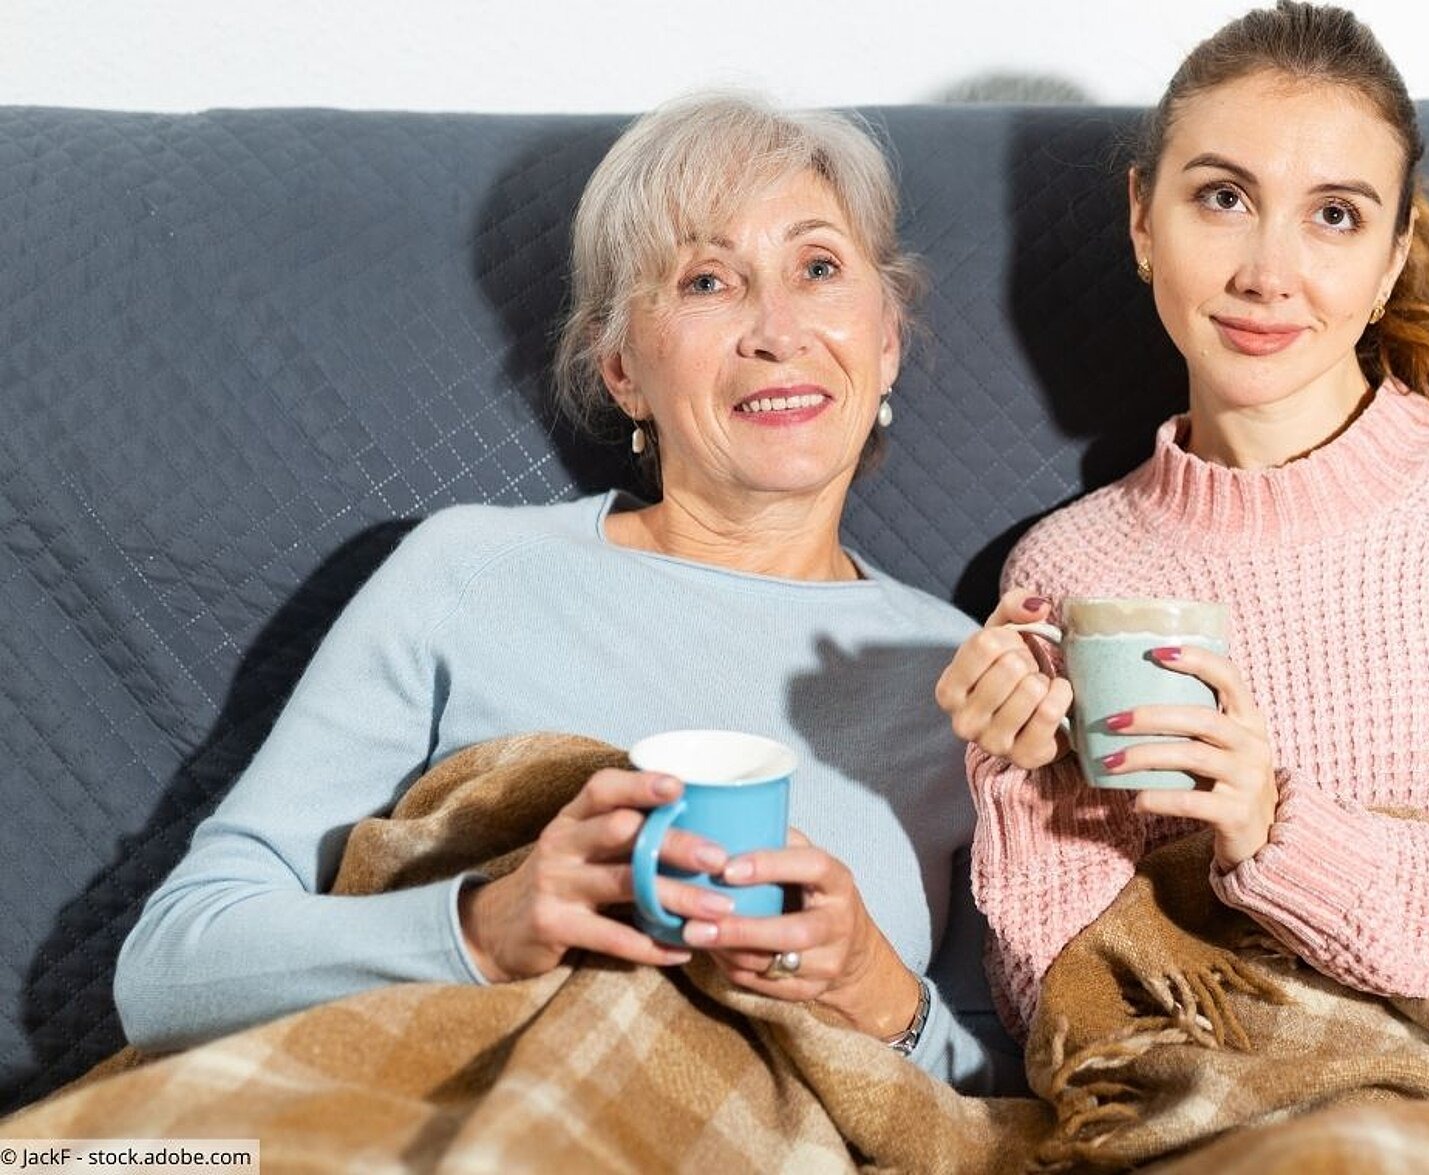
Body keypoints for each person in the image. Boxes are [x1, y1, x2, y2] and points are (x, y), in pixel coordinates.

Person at [115, 94, 1010, 1093]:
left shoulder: (960, 675)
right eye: (708, 279)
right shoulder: (465, 570)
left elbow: (1015, 1092)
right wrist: (483, 927)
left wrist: (877, 990)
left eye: (817, 269)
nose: (777, 330)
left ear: (884, 336)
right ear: (622, 367)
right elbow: (170, 965)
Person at [936, 1, 1429, 1047]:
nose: (1268, 271)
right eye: (1222, 197)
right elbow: (1083, 1031)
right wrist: (1015, 778)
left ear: (1394, 253)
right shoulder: (1071, 569)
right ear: (1140, 218)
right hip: (1247, 1129)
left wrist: (1283, 835)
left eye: (1335, 215)